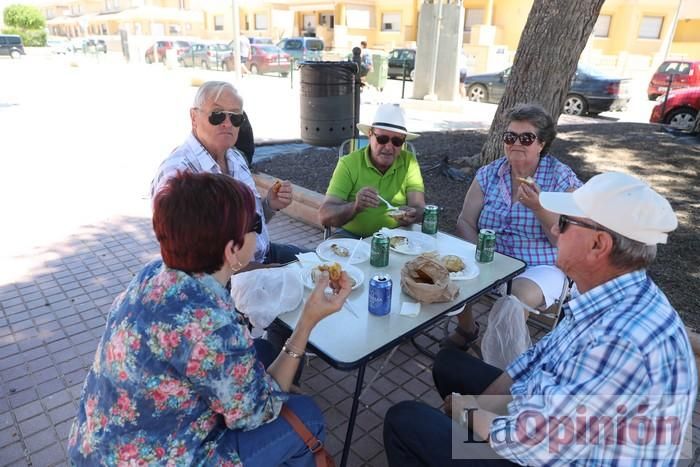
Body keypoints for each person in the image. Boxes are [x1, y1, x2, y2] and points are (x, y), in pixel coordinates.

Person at [384, 172, 697, 466]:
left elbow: (537, 444)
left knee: (404, 421)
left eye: (564, 222)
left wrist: (468, 414)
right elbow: (538, 359)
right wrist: (479, 409)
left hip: (551, 452)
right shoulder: (611, 294)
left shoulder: (623, 340)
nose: (554, 229)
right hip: (548, 424)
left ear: (598, 244)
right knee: (448, 364)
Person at [68, 172, 353, 466]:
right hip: (155, 459)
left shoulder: (152, 273)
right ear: (232, 250)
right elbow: (257, 412)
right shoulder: (210, 323)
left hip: (95, 445)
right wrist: (307, 321)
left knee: (264, 352)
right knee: (306, 416)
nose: (259, 230)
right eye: (255, 224)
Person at [443, 103, 582, 351]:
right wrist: (482, 256)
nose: (516, 142)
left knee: (515, 299)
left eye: (526, 137)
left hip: (540, 265)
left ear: (542, 143)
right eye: (510, 136)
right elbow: (465, 221)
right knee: (447, 273)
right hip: (491, 260)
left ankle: (500, 369)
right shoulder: (489, 174)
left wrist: (540, 208)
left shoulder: (561, 179)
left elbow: (566, 242)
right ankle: (467, 329)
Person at [151, 80, 306, 266]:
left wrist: (270, 204)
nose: (227, 123)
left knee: (323, 263)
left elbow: (248, 224)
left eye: (235, 117)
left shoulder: (235, 158)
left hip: (262, 255)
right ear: (194, 117)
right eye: (217, 115)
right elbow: (191, 262)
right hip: (226, 279)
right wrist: (264, 272)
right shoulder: (178, 175)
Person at [319, 103, 426, 238]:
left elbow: (420, 208)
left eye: (397, 141)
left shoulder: (409, 162)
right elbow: (325, 215)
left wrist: (413, 214)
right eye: (382, 139)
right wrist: (355, 207)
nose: (388, 147)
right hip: (353, 237)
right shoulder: (349, 163)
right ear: (370, 135)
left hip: (396, 237)